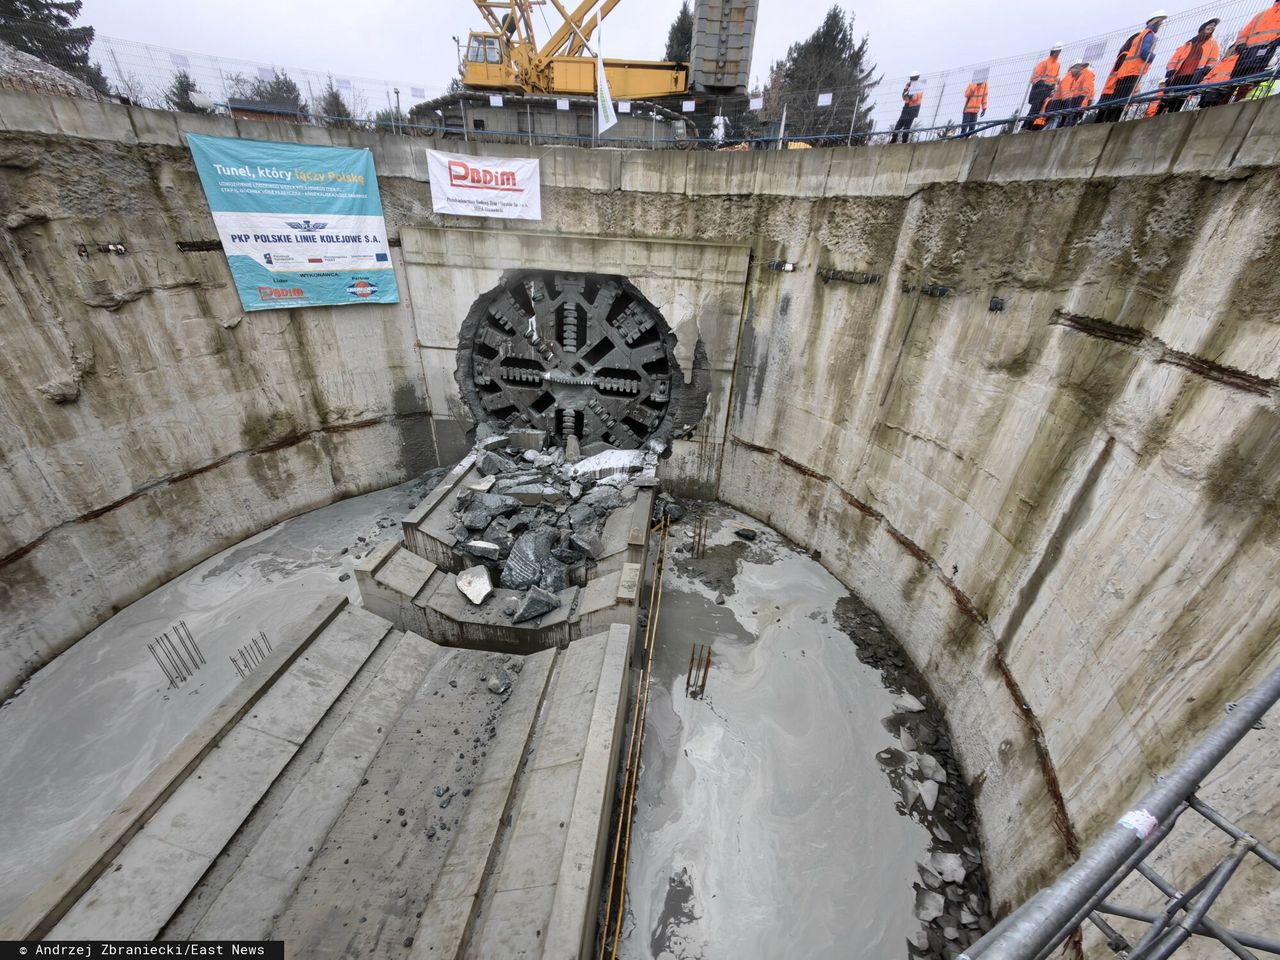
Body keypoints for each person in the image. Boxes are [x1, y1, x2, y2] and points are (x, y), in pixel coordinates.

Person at [1095, 11, 1169, 123]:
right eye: (1160, 22)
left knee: (1118, 98)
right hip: (1133, 71)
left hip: (1127, 70)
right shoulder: (1149, 35)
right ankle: (1113, 120)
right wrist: (1152, 56)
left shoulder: (1141, 35)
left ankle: (1109, 120)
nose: (1161, 24)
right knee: (1122, 99)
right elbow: (1145, 53)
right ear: (1155, 21)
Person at [1157, 19, 1221, 113]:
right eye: (1210, 25)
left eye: (1214, 26)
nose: (1212, 27)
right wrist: (1171, 69)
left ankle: (1171, 115)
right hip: (1178, 74)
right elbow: (1175, 58)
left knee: (1180, 99)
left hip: (1193, 76)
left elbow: (1213, 60)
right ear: (1203, 26)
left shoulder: (1214, 44)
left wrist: (1207, 69)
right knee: (1167, 98)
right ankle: (1159, 114)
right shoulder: (1188, 43)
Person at [1231, 1, 1280, 98]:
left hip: (1267, 54)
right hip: (1249, 55)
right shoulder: (1260, 15)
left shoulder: (1260, 14)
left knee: (1252, 84)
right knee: (1238, 84)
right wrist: (1240, 45)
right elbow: (1244, 34)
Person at [1023, 42, 1064, 130]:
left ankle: (1035, 126)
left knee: (1043, 109)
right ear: (1054, 51)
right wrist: (1042, 83)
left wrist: (1056, 86)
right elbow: (1034, 78)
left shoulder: (1058, 65)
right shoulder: (1043, 63)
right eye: (1057, 51)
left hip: (1049, 90)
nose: (1058, 53)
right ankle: (1026, 126)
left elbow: (1056, 78)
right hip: (1040, 89)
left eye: (1059, 51)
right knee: (1035, 108)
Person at [1050, 59, 1096, 127]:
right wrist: (1068, 102)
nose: (1080, 70)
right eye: (1077, 67)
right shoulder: (1069, 77)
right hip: (1061, 103)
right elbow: (1065, 91)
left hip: (1066, 102)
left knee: (1062, 120)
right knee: (1057, 120)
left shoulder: (1077, 78)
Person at [1200, 42, 1246, 106]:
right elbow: (1209, 75)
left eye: (1232, 50)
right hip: (1210, 89)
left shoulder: (1238, 60)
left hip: (1223, 89)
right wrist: (1205, 81)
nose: (1230, 52)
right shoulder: (1221, 62)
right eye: (1229, 50)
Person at [893, 73, 924, 143]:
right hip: (906, 108)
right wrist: (906, 88)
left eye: (913, 78)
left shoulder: (919, 86)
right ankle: (893, 140)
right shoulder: (910, 86)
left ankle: (904, 142)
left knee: (907, 127)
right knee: (898, 125)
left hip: (913, 109)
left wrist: (908, 93)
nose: (911, 80)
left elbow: (914, 98)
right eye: (911, 78)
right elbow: (904, 98)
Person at [961, 71, 989, 136]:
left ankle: (967, 139)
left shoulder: (985, 85)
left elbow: (984, 97)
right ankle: (962, 138)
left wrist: (984, 108)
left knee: (972, 128)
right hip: (967, 109)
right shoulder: (972, 84)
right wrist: (974, 86)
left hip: (976, 110)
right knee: (964, 126)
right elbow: (966, 95)